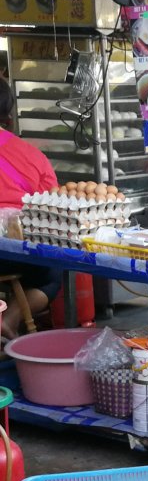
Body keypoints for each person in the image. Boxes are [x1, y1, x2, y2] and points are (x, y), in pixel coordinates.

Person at [0, 77, 61, 339]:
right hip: (15, 255)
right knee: (52, 272)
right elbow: (53, 207)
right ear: (9, 116)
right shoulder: (32, 155)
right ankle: (10, 318)